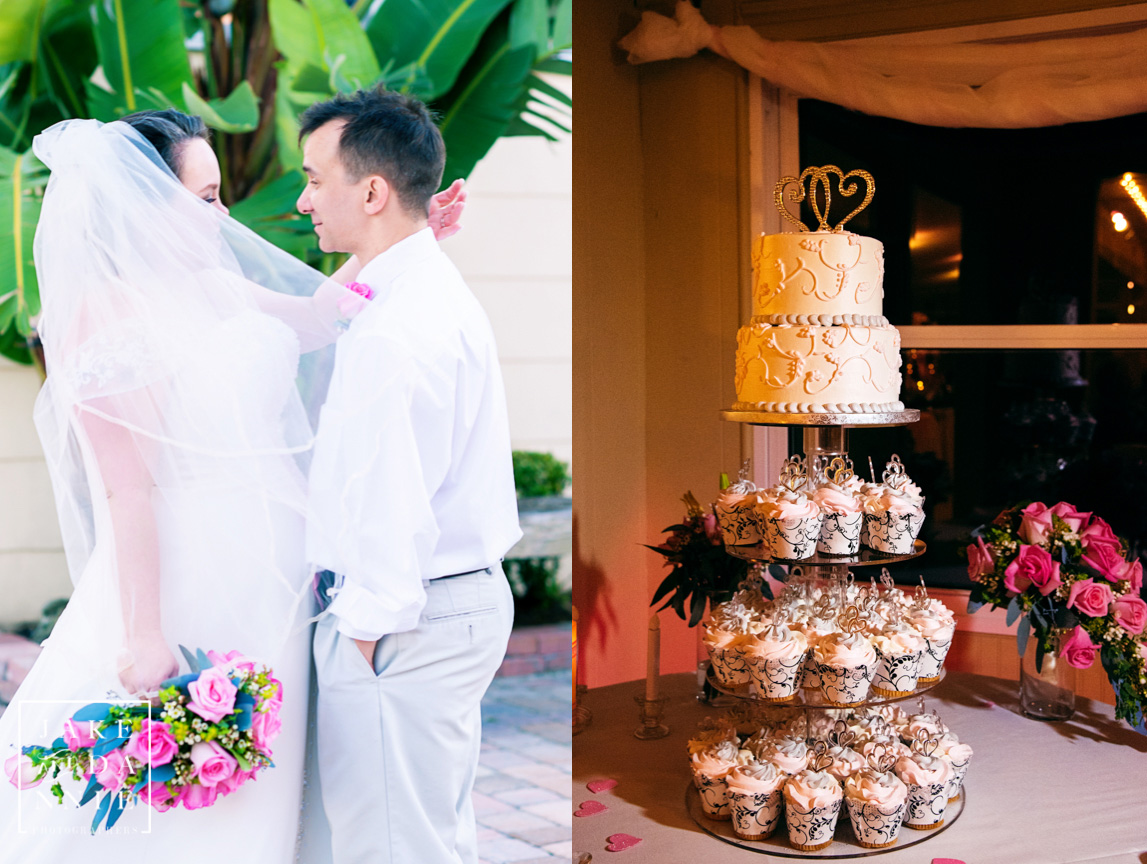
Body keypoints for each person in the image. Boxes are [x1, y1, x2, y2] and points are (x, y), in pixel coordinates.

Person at [0, 109, 461, 859]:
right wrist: (146, 634)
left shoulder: (211, 285)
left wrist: (405, 238)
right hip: (193, 576)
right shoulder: (100, 316)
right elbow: (127, 493)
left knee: (270, 784)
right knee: (192, 796)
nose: (222, 214)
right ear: (150, 204)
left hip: (277, 575)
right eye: (206, 197)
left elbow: (319, 320)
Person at [301, 87, 521, 864]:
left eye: (315, 180)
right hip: (434, 607)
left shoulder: (402, 327)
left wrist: (362, 634)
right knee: (418, 834)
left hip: (404, 619)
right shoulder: (407, 290)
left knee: (392, 846)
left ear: (370, 190)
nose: (303, 200)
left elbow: (393, 501)